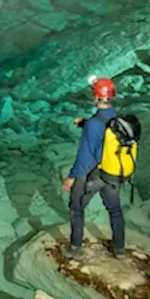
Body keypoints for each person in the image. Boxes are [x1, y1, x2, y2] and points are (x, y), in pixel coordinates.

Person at [62, 76, 126, 259]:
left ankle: (75, 249)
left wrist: (72, 177)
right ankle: (119, 250)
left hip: (94, 175)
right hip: (113, 173)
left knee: (77, 208)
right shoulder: (118, 119)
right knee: (115, 210)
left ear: (96, 97)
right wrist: (85, 124)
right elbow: (105, 135)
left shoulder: (93, 124)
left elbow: (85, 156)